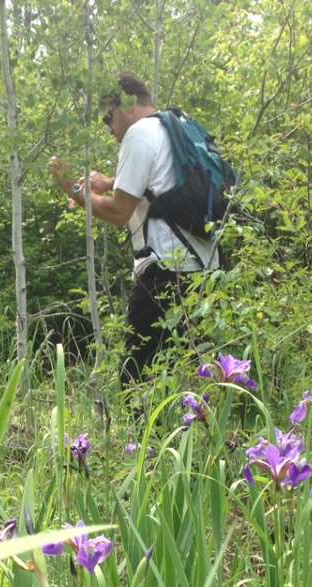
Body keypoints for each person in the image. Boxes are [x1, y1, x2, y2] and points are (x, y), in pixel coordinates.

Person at [50, 73, 220, 385]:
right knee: (195, 374)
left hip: (165, 271)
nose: (109, 128)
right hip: (206, 267)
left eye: (107, 117)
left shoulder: (139, 135)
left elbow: (118, 212)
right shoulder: (173, 126)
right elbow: (163, 184)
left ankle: (141, 434)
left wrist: (71, 187)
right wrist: (110, 183)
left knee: (136, 379)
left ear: (127, 104)